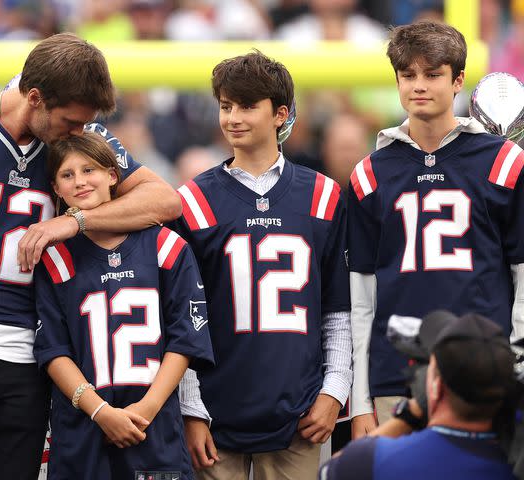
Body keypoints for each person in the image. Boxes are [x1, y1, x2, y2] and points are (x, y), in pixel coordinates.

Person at [0, 32, 181, 478]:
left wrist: (73, 221)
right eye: (70, 121)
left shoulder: (80, 146)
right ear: (35, 98)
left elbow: (165, 201)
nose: (79, 133)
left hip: (25, 354)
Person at [175, 51, 352, 479]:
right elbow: (182, 317)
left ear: (281, 114)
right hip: (217, 409)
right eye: (226, 106)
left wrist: (334, 390)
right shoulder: (193, 201)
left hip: (299, 412)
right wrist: (191, 407)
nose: (233, 117)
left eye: (248, 105)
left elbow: (338, 308)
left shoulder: (324, 196)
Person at [347, 21, 524, 439]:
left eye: (432, 74)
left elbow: (522, 274)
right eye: (408, 75)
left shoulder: (503, 162)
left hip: (484, 370)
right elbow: (361, 298)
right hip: (396, 375)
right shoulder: (369, 174)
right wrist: (359, 402)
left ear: (459, 79)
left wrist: (515, 362)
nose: (418, 86)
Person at [33, 132, 214, 479]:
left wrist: (147, 408)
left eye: (89, 170)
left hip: (154, 426)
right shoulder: (55, 258)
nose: (80, 182)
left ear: (114, 175)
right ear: (55, 188)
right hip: (82, 429)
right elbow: (53, 351)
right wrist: (100, 412)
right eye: (67, 175)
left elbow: (185, 338)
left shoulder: (166, 246)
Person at [319, 310, 518, 480]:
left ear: (436, 387)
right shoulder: (515, 460)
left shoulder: (386, 459)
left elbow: (329, 472)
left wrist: (410, 414)